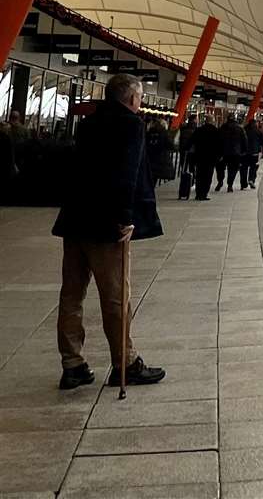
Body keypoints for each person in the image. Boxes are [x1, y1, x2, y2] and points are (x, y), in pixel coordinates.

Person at [52, 73, 166, 390]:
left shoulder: (89, 123)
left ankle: (72, 364)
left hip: (75, 220)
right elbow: (126, 172)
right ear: (131, 98)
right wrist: (125, 216)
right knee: (116, 297)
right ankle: (125, 363)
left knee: (71, 295)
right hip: (107, 224)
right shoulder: (131, 125)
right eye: (140, 98)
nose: (140, 104)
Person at [192, 117, 220, 200]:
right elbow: (219, 144)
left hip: (199, 156)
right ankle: (204, 193)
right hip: (211, 157)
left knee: (199, 175)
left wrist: (186, 148)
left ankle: (198, 193)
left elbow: (191, 140)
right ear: (212, 122)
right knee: (208, 176)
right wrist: (219, 156)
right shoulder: (215, 131)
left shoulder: (199, 130)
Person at [220, 115, 245, 192]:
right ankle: (230, 184)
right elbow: (244, 140)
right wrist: (243, 151)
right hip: (235, 152)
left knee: (221, 168)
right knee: (233, 169)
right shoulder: (239, 129)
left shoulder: (222, 128)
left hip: (224, 152)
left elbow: (218, 139)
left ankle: (220, 180)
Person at [242, 118, 263, 188]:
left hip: (244, 152)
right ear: (255, 124)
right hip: (254, 152)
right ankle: (251, 179)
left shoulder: (244, 130)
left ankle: (243, 183)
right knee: (253, 167)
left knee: (244, 167)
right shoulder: (258, 131)